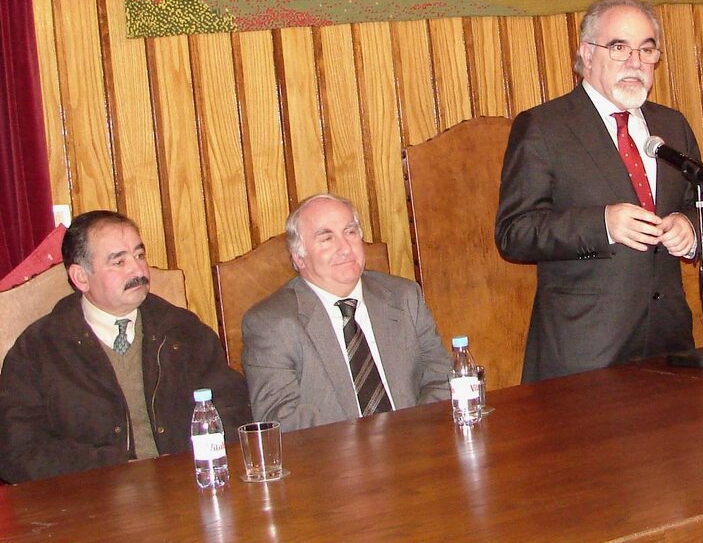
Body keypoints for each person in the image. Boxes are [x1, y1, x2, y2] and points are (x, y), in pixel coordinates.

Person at [496, 0, 703, 382]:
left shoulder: (672, 125)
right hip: (586, 347)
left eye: (646, 50)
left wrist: (689, 227)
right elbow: (514, 233)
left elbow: (700, 206)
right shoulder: (544, 127)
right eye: (619, 47)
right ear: (587, 53)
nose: (635, 62)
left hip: (669, 339)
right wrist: (602, 225)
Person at [0, 210, 250, 483]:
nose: (138, 270)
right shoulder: (39, 349)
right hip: (92, 501)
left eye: (139, 256)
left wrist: (187, 462)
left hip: (187, 486)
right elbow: (19, 451)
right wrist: (117, 468)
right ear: (81, 277)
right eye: (119, 262)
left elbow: (233, 408)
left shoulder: (182, 330)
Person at [242, 194, 449, 431]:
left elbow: (442, 377)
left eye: (350, 232)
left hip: (417, 446)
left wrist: (412, 434)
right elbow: (281, 419)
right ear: (299, 257)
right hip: (333, 460)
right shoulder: (270, 323)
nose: (345, 248)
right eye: (327, 238)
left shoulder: (404, 297)